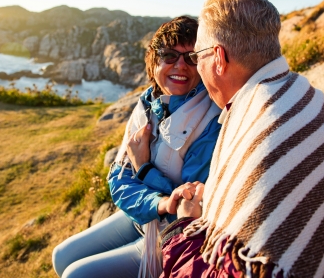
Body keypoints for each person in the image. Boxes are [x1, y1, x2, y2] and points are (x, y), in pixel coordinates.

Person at [138, 0, 324, 277]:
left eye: (197, 57)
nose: (193, 67)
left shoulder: (252, 124)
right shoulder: (307, 95)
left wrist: (182, 227)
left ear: (218, 59)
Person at [51, 16, 222, 278]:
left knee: (76, 275)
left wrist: (143, 169)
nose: (180, 66)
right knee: (61, 256)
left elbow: (189, 202)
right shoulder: (146, 105)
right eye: (169, 55)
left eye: (191, 58)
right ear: (154, 61)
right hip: (142, 216)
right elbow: (118, 179)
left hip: (170, 233)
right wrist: (159, 201)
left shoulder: (210, 119)